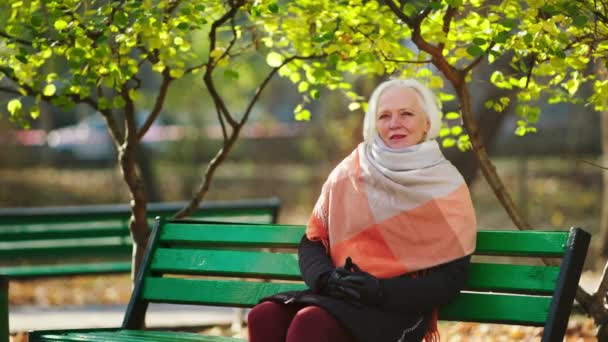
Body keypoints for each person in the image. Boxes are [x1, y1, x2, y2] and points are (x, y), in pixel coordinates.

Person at [247, 79, 477, 342]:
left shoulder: (446, 186)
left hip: (397, 306)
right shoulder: (351, 170)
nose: (394, 123)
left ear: (427, 123)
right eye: (384, 116)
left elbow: (451, 279)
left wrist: (380, 290)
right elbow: (312, 241)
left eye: (406, 114)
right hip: (340, 294)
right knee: (264, 315)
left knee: (311, 322)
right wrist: (326, 278)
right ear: (375, 124)